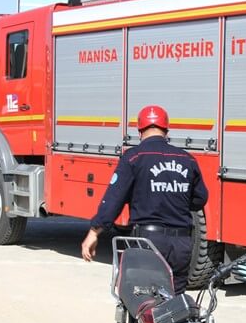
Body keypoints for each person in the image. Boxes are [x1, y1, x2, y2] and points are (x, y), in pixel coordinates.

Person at [81, 105, 208, 294]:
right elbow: (200, 198)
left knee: (145, 300)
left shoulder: (134, 157)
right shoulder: (187, 159)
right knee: (176, 302)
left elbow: (114, 199)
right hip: (181, 243)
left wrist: (94, 232)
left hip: (148, 242)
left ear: (140, 130)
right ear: (166, 130)